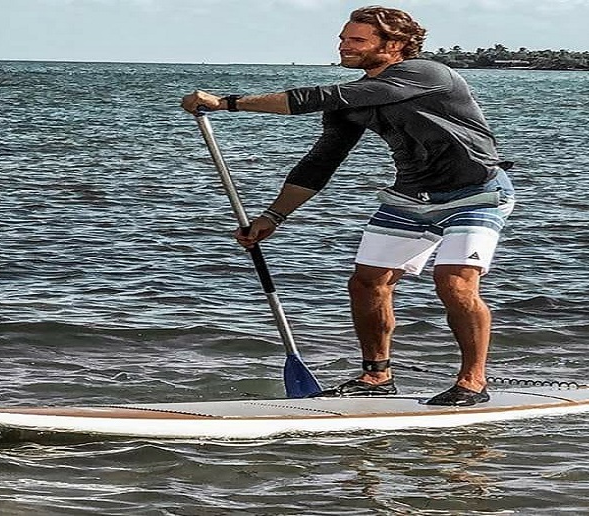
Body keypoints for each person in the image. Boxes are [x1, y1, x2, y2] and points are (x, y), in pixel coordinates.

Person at [181, 6, 515, 406]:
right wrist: (272, 216)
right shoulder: (352, 103)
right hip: (410, 196)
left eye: (357, 40)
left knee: (454, 282)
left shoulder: (427, 74)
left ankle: (473, 382)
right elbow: (320, 163)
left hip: (476, 192)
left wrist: (228, 103)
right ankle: (377, 375)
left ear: (394, 46)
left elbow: (323, 95)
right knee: (367, 283)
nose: (344, 46)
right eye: (343, 38)